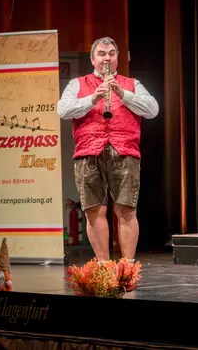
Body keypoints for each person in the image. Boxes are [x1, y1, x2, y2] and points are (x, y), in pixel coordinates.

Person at [57, 36, 159, 266]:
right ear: (93, 59)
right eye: (101, 54)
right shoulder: (77, 84)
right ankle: (103, 265)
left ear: (117, 59)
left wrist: (122, 94)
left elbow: (153, 109)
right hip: (88, 151)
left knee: (127, 210)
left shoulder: (132, 83)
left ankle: (128, 266)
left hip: (125, 151)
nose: (107, 58)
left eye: (111, 54)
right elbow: (63, 110)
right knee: (94, 211)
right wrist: (92, 98)